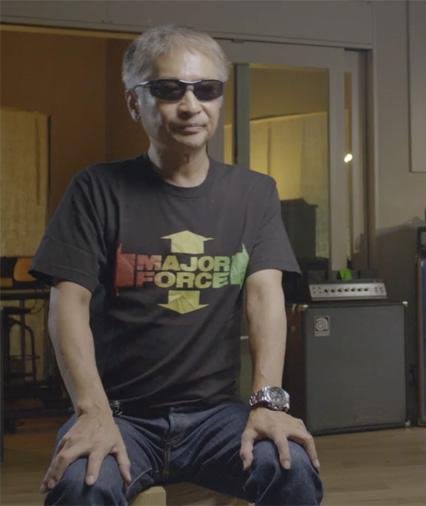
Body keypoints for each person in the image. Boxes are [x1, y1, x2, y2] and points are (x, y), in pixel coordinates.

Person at [31, 25, 323, 505]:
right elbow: (69, 303)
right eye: (169, 90)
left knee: (291, 467)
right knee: (80, 485)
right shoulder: (96, 189)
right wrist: (92, 410)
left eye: (206, 89)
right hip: (123, 415)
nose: (191, 106)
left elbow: (264, 296)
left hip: (215, 418)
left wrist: (267, 401)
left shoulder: (254, 193)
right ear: (134, 103)